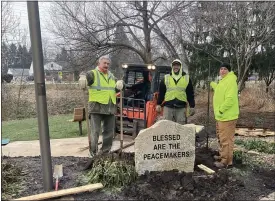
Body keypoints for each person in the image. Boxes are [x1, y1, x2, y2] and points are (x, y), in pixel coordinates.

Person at [78, 55, 123, 166]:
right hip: (96, 107)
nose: (106, 65)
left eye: (108, 64)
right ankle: (93, 153)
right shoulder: (93, 74)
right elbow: (83, 75)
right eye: (104, 63)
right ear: (99, 63)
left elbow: (117, 88)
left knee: (109, 132)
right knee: (95, 132)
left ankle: (105, 153)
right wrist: (82, 78)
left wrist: (121, 85)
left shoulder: (111, 76)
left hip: (110, 107)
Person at [210, 63, 239, 169]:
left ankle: (226, 162)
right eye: (221, 69)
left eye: (225, 69)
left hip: (227, 116)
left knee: (226, 140)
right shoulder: (224, 80)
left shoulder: (230, 81)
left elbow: (230, 99)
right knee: (221, 138)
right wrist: (213, 84)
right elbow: (220, 90)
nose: (222, 71)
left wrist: (221, 110)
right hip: (221, 116)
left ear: (229, 71)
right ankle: (223, 156)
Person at [156, 59, 195, 124]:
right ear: (172, 66)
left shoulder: (186, 78)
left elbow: (190, 94)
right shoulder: (166, 78)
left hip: (181, 108)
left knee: (180, 128)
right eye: (174, 65)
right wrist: (158, 104)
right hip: (168, 107)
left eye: (177, 65)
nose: (175, 67)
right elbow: (161, 93)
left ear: (180, 67)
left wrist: (192, 106)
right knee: (167, 127)